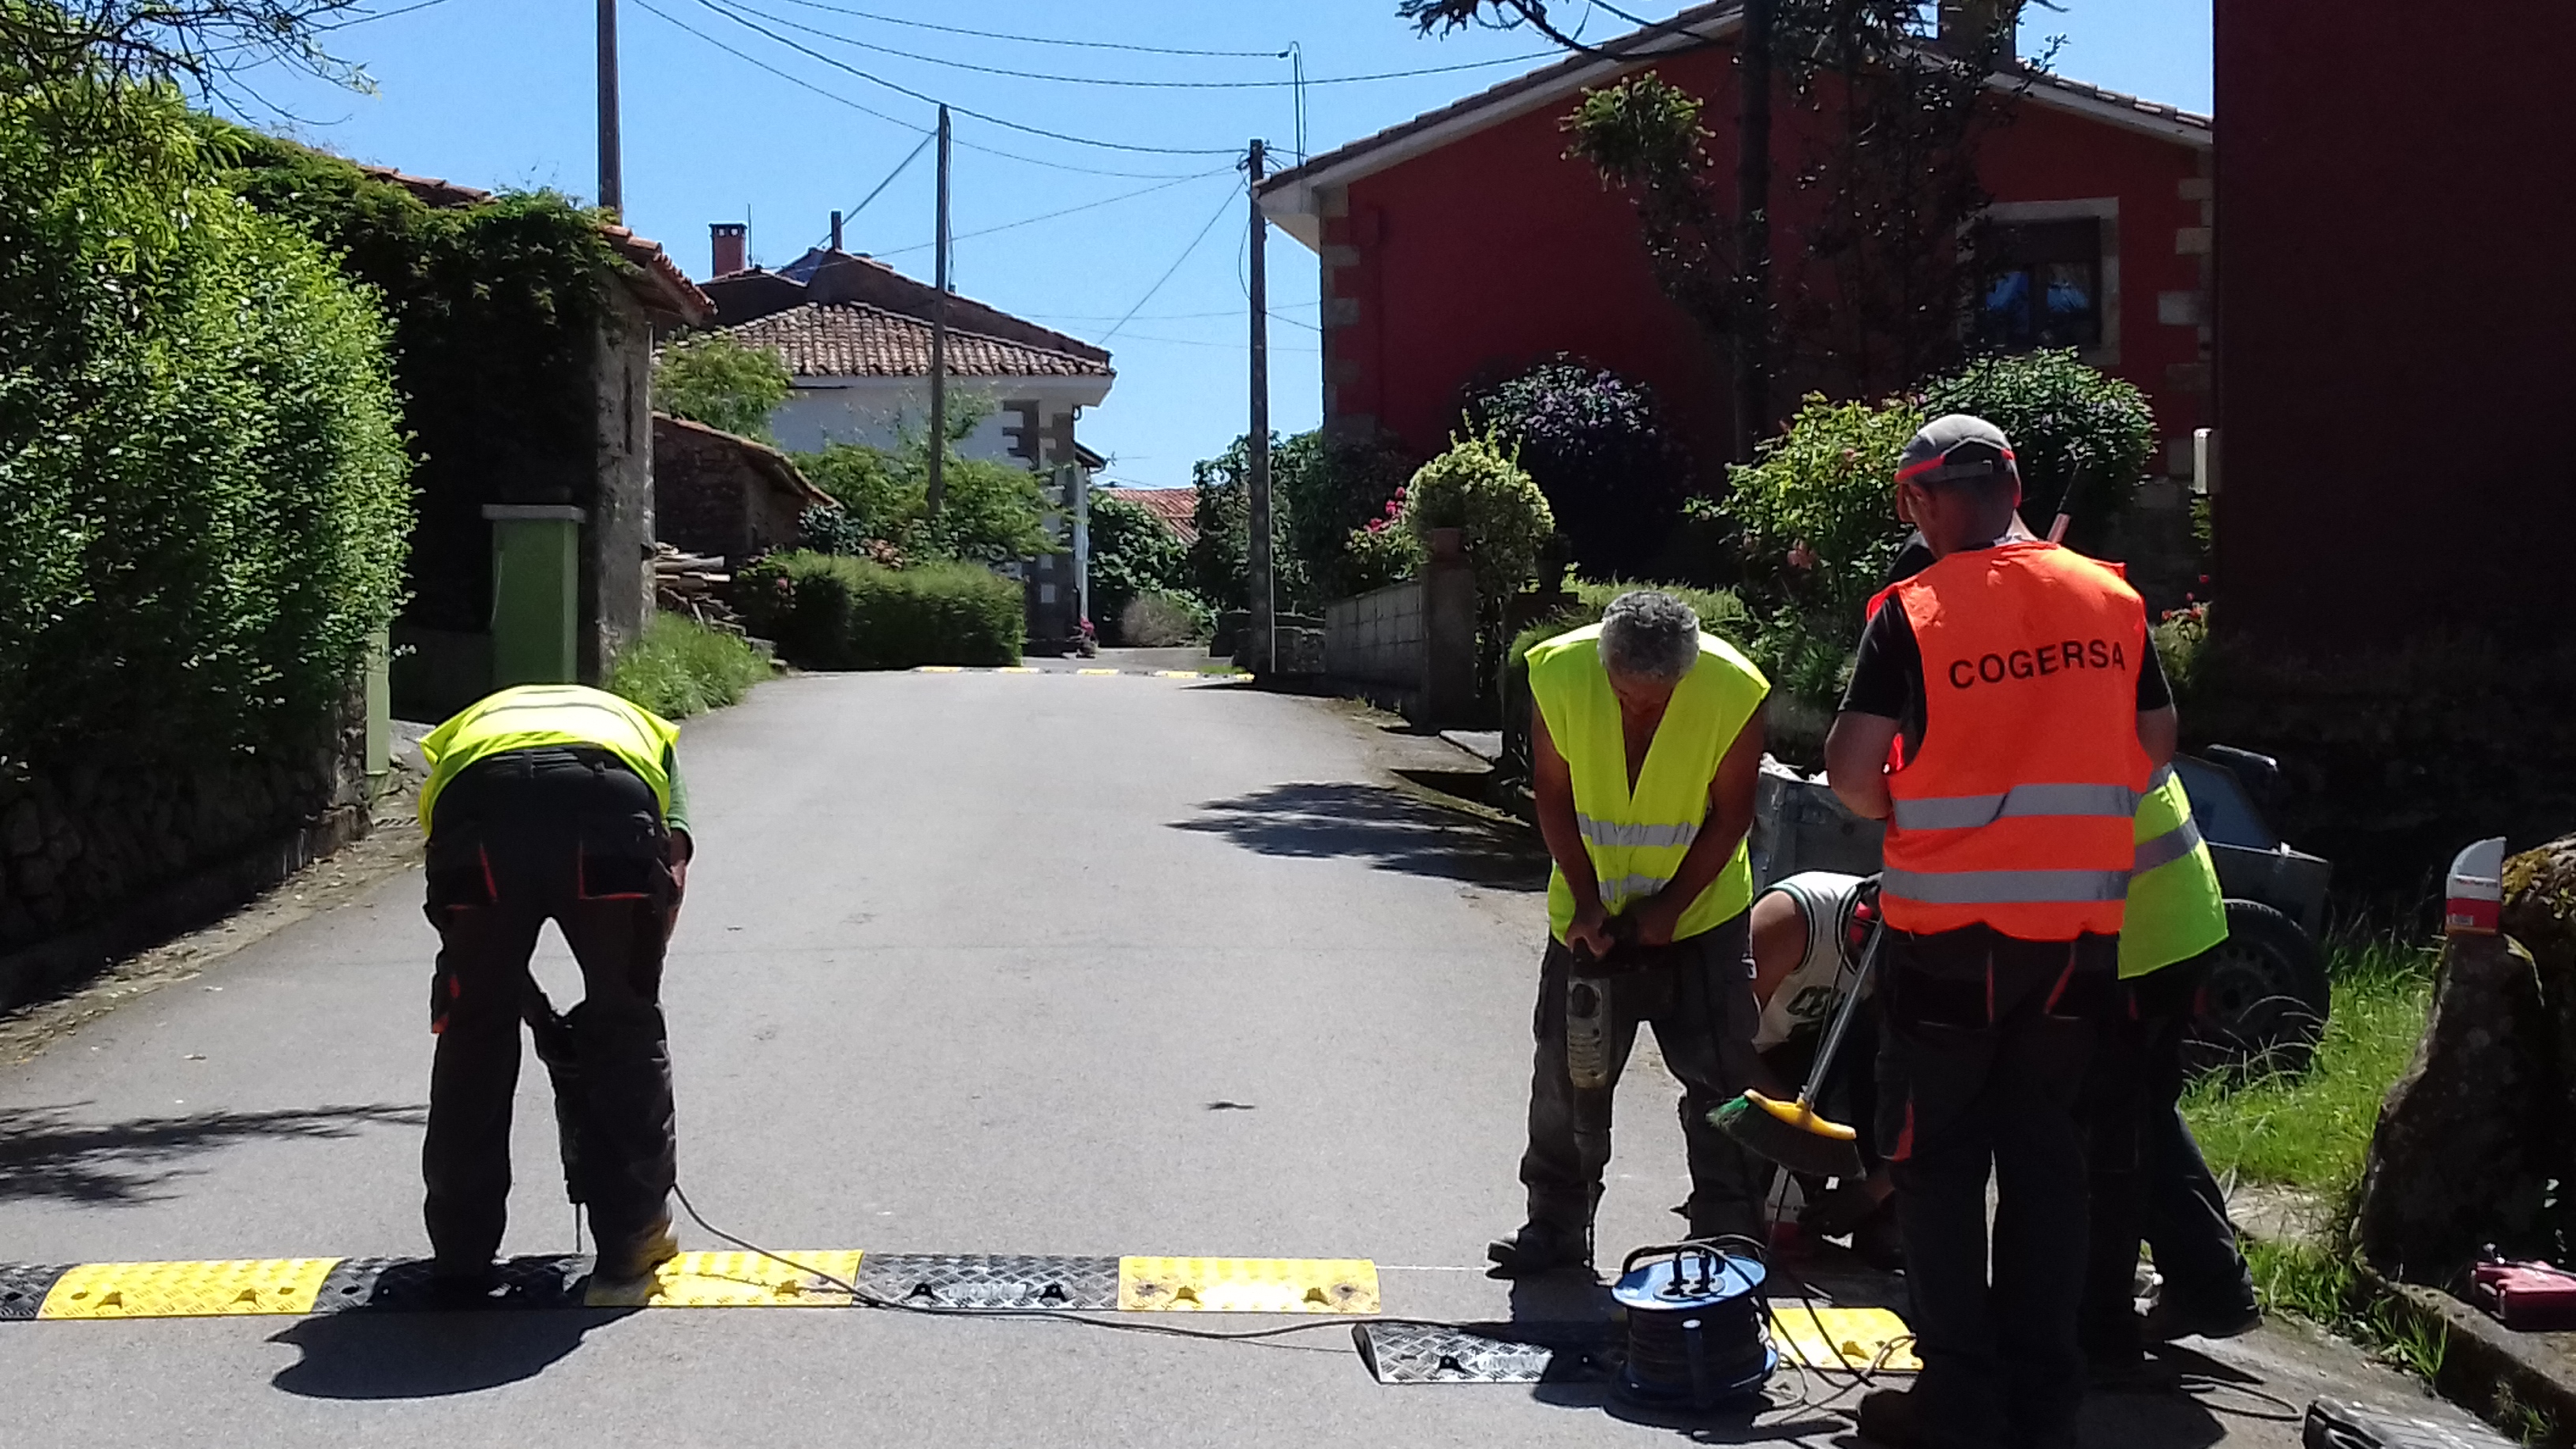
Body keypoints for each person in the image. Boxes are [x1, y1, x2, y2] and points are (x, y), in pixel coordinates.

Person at [1824, 415, 2174, 1449]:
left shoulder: (1915, 612)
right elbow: (2154, 750)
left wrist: (1914, 803)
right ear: (2013, 485)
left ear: (1921, 501)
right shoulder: (2110, 599)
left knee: (1935, 1169)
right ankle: (2043, 1400)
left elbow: (1851, 774)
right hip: (2075, 945)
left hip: (1951, 946)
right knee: (2047, 1168)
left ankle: (1959, 1401)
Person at [1488, 590, 1772, 1275]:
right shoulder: (1557, 673)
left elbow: (1732, 815)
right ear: (1603, 663)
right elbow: (1552, 794)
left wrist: (1672, 907)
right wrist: (1585, 900)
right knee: (1567, 1073)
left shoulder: (1735, 690)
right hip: (1590, 915)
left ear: (1689, 670)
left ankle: (1729, 1232)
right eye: (1625, 696)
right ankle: (1555, 1228)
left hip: (1701, 915)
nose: (1639, 710)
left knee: (1723, 1080)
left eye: (1659, 699)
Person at [415, 683, 695, 1291]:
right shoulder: (646, 731)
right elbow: (671, 862)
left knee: (474, 1033)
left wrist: (511, 1002)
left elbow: (459, 919)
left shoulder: (463, 732)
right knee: (628, 1026)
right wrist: (628, 989)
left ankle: (460, 1252)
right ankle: (634, 1236)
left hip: (476, 803)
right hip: (607, 800)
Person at [2077, 769, 2261, 1368]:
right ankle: (2212, 1286)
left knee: (2107, 1129)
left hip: (2143, 932)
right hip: (2180, 912)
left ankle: (2098, 1329)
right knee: (2143, 1111)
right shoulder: (2097, 681)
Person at [1748, 871, 1899, 1266]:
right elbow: (1720, 1042)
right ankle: (1751, 1191)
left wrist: (1874, 1190)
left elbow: (1935, 1103)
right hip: (1757, 1058)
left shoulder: (1919, 967)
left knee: (1889, 1066)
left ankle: (1881, 1222)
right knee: (1744, 1200)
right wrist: (1798, 1135)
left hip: (1831, 1055)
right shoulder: (1794, 917)